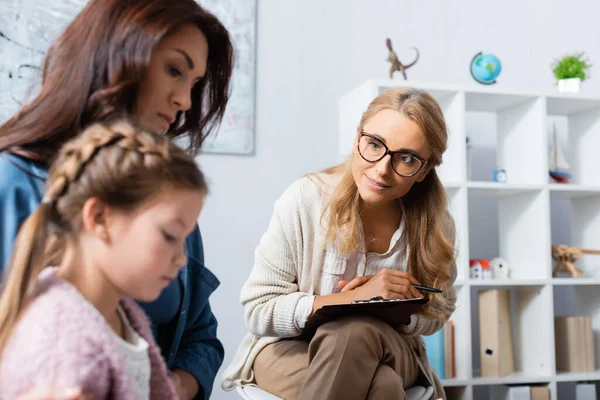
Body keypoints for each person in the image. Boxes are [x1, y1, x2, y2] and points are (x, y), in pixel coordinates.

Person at [0, 0, 234, 398]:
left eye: (194, 84)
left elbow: (201, 335)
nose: (186, 102)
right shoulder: (13, 183)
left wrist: (168, 385)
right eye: (174, 70)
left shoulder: (166, 202)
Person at [221, 87, 457, 400]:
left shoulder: (436, 225)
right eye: (374, 144)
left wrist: (400, 303)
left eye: (406, 158)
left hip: (393, 349)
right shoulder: (306, 200)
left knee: (355, 332)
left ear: (424, 169)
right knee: (382, 385)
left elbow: (439, 311)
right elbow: (258, 310)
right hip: (288, 350)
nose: (382, 168)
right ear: (358, 136)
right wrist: (357, 298)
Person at [0, 120, 207, 398]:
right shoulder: (64, 347)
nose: (182, 259)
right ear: (99, 218)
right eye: (170, 236)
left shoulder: (122, 313)